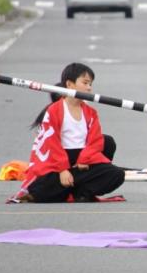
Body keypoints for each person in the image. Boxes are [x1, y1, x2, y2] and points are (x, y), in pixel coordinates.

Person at [15, 63, 125, 203]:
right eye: (85, 83)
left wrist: (84, 159)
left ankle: (81, 192)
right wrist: (62, 170)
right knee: (40, 190)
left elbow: (95, 140)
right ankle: (70, 188)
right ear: (69, 84)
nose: (89, 88)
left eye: (90, 84)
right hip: (57, 163)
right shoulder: (54, 111)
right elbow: (51, 143)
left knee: (116, 174)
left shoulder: (91, 112)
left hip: (81, 162)